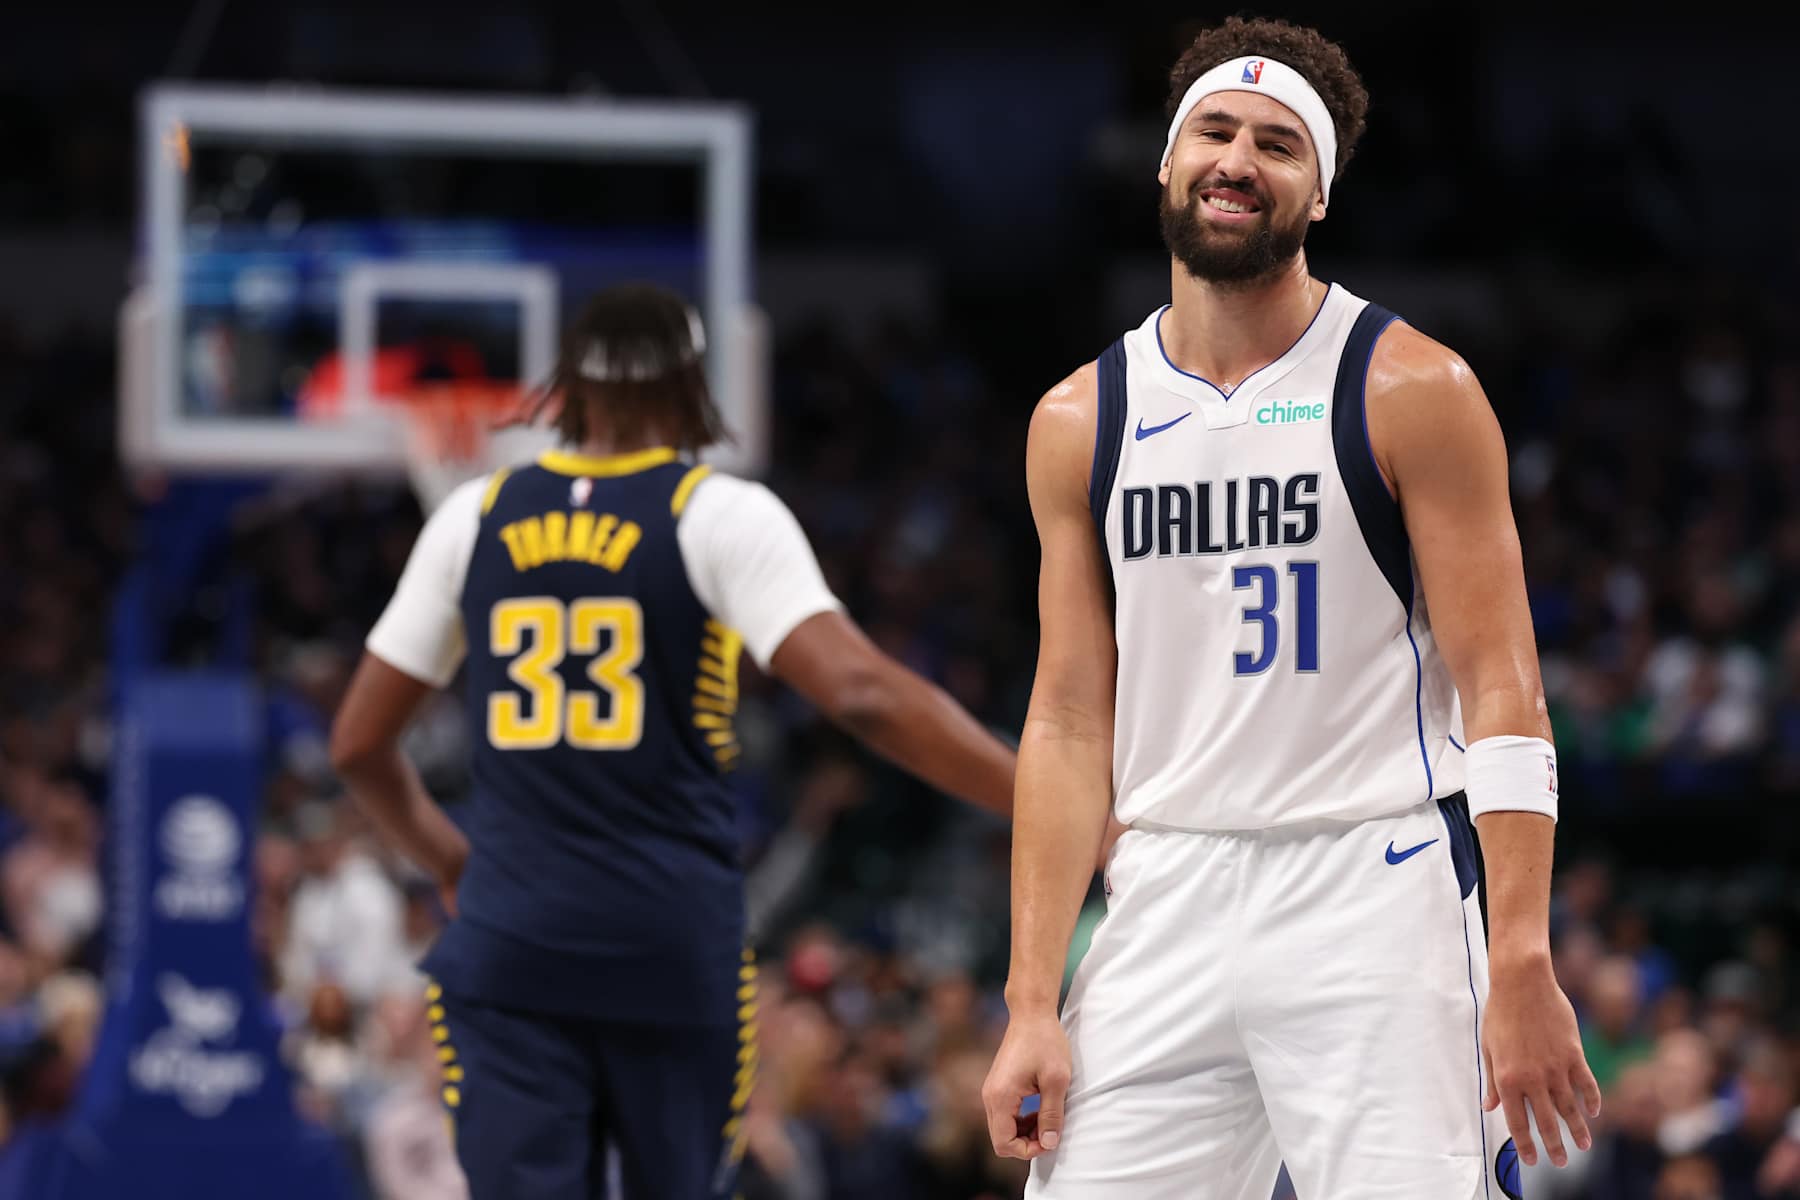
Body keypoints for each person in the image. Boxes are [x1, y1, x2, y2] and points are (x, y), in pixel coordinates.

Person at [980, 16, 1599, 1199]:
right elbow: (1064, 721)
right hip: (1163, 886)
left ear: (1318, 196)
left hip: (1376, 886)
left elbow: (1506, 691)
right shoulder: (1078, 418)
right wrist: (1029, 998)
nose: (1237, 160)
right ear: (1165, 161)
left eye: (1278, 144)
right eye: (1214, 130)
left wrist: (1521, 952)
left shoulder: (1412, 387)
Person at [329, 283, 1016, 1200]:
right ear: (693, 384)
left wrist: (449, 859)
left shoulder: (473, 517)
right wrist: (1039, 790)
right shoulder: (719, 514)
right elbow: (858, 691)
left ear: (567, 389)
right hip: (666, 942)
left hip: (511, 940)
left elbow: (357, 746)